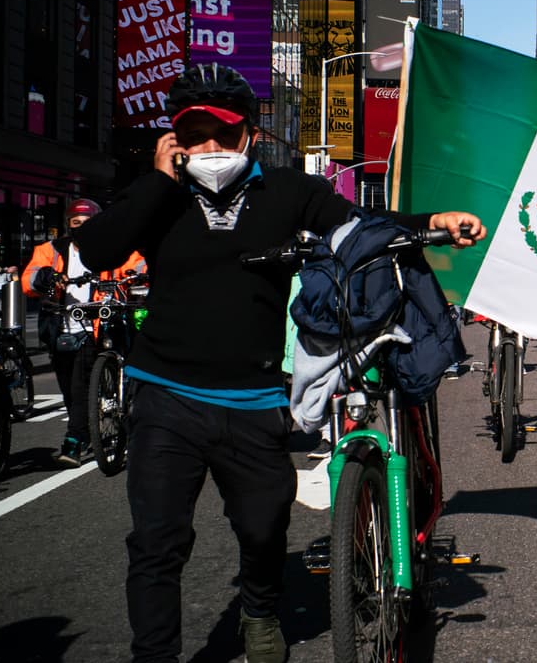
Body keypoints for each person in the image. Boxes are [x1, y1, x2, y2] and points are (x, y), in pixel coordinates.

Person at [73, 63, 483, 663]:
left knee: (264, 528)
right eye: (193, 135)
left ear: (251, 137)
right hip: (165, 395)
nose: (208, 148)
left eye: (222, 133)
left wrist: (431, 224)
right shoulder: (159, 198)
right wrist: (158, 180)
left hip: (254, 399)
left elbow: (358, 231)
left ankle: (260, 611)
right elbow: (97, 249)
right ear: (175, 141)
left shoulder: (288, 192)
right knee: (158, 543)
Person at [23, 199, 141, 466]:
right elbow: (28, 280)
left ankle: (75, 439)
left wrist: (137, 276)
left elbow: (138, 265)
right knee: (68, 387)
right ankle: (86, 428)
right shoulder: (50, 250)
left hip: (98, 325)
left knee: (80, 385)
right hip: (60, 326)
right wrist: (46, 278)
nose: (81, 228)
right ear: (68, 225)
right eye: (75, 223)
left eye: (87, 223)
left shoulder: (114, 247)